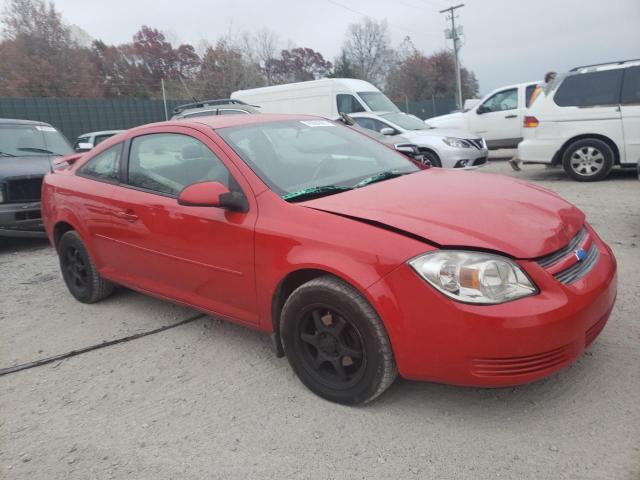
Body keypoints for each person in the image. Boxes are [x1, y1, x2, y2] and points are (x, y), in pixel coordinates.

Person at [509, 71, 557, 171]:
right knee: (543, 141)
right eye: (554, 78)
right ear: (550, 79)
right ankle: (516, 159)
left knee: (545, 141)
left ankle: (550, 163)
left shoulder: (541, 89)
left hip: (539, 118)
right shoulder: (544, 90)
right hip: (541, 119)